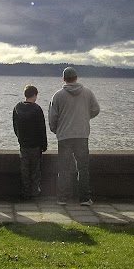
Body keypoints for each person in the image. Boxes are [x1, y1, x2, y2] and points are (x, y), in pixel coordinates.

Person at [48, 67, 100, 206]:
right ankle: (84, 198)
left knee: (64, 168)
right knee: (83, 168)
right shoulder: (87, 93)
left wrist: (56, 130)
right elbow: (96, 109)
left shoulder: (58, 95)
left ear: (64, 79)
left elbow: (52, 117)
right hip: (82, 135)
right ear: (76, 78)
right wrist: (84, 117)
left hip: (64, 136)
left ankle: (62, 198)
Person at [13, 84, 47, 199]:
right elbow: (42, 128)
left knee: (25, 169)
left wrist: (19, 138)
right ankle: (34, 191)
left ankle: (25, 191)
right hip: (35, 144)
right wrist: (44, 144)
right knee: (35, 169)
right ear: (34, 95)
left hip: (23, 143)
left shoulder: (17, 108)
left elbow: (15, 126)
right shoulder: (37, 109)